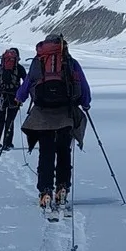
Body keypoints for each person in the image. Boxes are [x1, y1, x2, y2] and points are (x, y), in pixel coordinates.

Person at [15, 33, 91, 211]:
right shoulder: (70, 61)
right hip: (65, 114)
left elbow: (27, 84)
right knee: (64, 151)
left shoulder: (38, 61)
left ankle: (45, 192)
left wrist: (19, 98)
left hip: (42, 116)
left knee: (46, 153)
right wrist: (85, 104)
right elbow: (83, 87)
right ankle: (62, 188)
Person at [0, 47, 26, 150]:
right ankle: (7, 143)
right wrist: (22, 95)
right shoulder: (20, 68)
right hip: (14, 97)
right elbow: (26, 83)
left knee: (0, 118)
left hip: (1, 96)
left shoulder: (0, 67)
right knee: (10, 120)